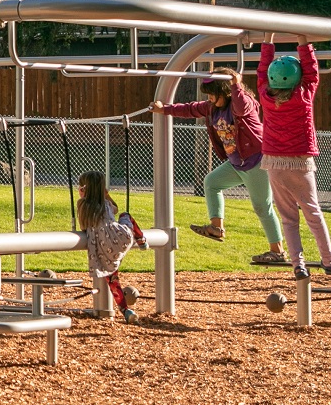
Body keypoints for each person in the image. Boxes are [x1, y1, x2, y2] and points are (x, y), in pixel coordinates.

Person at [150, 68, 285, 265]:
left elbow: (242, 106)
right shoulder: (212, 107)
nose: (211, 98)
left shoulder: (242, 103)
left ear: (226, 91)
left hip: (257, 162)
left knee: (262, 206)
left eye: (214, 94)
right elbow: (190, 109)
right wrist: (165, 109)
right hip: (238, 164)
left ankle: (278, 251)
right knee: (212, 182)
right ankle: (216, 227)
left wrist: (235, 84)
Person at [258, 34, 331, 280]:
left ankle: (298, 265)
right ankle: (328, 261)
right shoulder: (303, 96)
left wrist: (267, 42)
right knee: (313, 212)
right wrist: (304, 42)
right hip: (300, 161)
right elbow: (313, 72)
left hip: (274, 162)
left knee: (289, 218)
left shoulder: (265, 96)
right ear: (297, 78)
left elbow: (261, 71)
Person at [77, 171, 140, 324]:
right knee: (126, 215)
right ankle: (141, 238)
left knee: (112, 279)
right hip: (120, 238)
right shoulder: (106, 204)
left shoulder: (83, 206)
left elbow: (83, 226)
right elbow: (117, 209)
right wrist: (107, 195)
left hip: (102, 246)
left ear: (84, 189)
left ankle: (125, 309)